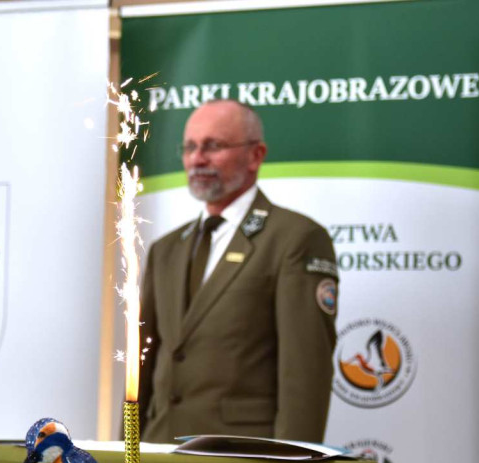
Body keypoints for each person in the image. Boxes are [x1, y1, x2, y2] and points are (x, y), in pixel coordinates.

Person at [138, 99, 338, 444]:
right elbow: (143, 367)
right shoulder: (165, 249)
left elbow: (305, 374)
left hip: (243, 456)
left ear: (256, 155)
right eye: (190, 147)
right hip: (158, 453)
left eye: (213, 146)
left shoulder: (295, 238)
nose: (197, 159)